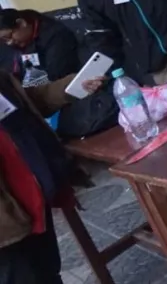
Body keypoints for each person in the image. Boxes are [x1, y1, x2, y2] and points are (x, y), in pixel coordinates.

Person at [0, 69, 104, 284]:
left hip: (31, 197)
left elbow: (27, 102)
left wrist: (72, 86)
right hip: (5, 226)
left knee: (48, 272)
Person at [0, 9, 117, 138]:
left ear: (21, 23)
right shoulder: (9, 48)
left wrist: (76, 82)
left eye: (8, 37)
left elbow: (44, 92)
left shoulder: (54, 35)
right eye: (4, 40)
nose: (9, 43)